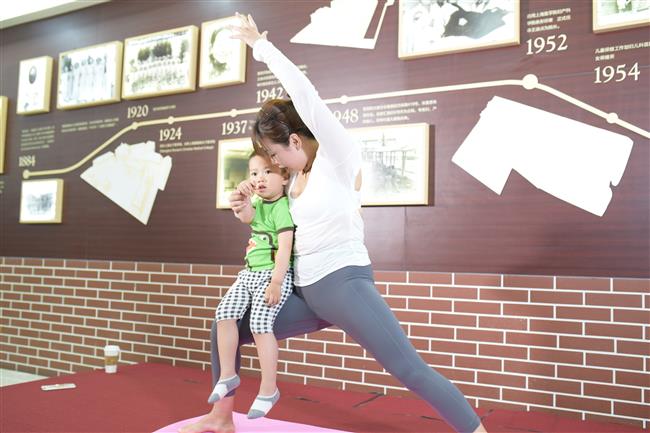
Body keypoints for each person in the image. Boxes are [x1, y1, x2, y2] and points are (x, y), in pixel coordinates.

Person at [181, 13, 487, 433]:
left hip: (344, 284)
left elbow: (305, 96)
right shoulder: (291, 185)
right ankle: (221, 418)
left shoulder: (336, 157)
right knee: (226, 326)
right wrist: (245, 212)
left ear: (294, 140)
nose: (272, 164)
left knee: (408, 368)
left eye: (275, 154)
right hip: (304, 291)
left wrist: (260, 46)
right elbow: (279, 230)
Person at [209, 151, 295, 419]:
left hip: (271, 274)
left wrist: (276, 282)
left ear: (284, 177)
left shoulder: (282, 207)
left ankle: (269, 389)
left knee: (260, 325)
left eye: (267, 171)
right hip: (248, 273)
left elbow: (285, 247)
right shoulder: (258, 201)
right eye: (254, 173)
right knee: (223, 314)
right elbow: (246, 216)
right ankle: (228, 375)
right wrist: (243, 195)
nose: (260, 178)